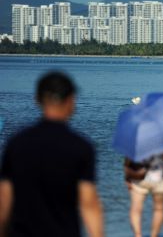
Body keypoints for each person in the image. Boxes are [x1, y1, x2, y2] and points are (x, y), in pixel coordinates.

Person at [0, 72, 103, 237]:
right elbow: (88, 203)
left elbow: (5, 199)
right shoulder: (80, 147)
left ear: (37, 100)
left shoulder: (16, 144)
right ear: (71, 101)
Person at [124, 152, 163, 237]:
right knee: (159, 209)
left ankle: (138, 235)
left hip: (138, 176)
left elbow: (128, 160)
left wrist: (126, 177)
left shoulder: (135, 139)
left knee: (136, 209)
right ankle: (154, 235)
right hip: (158, 175)